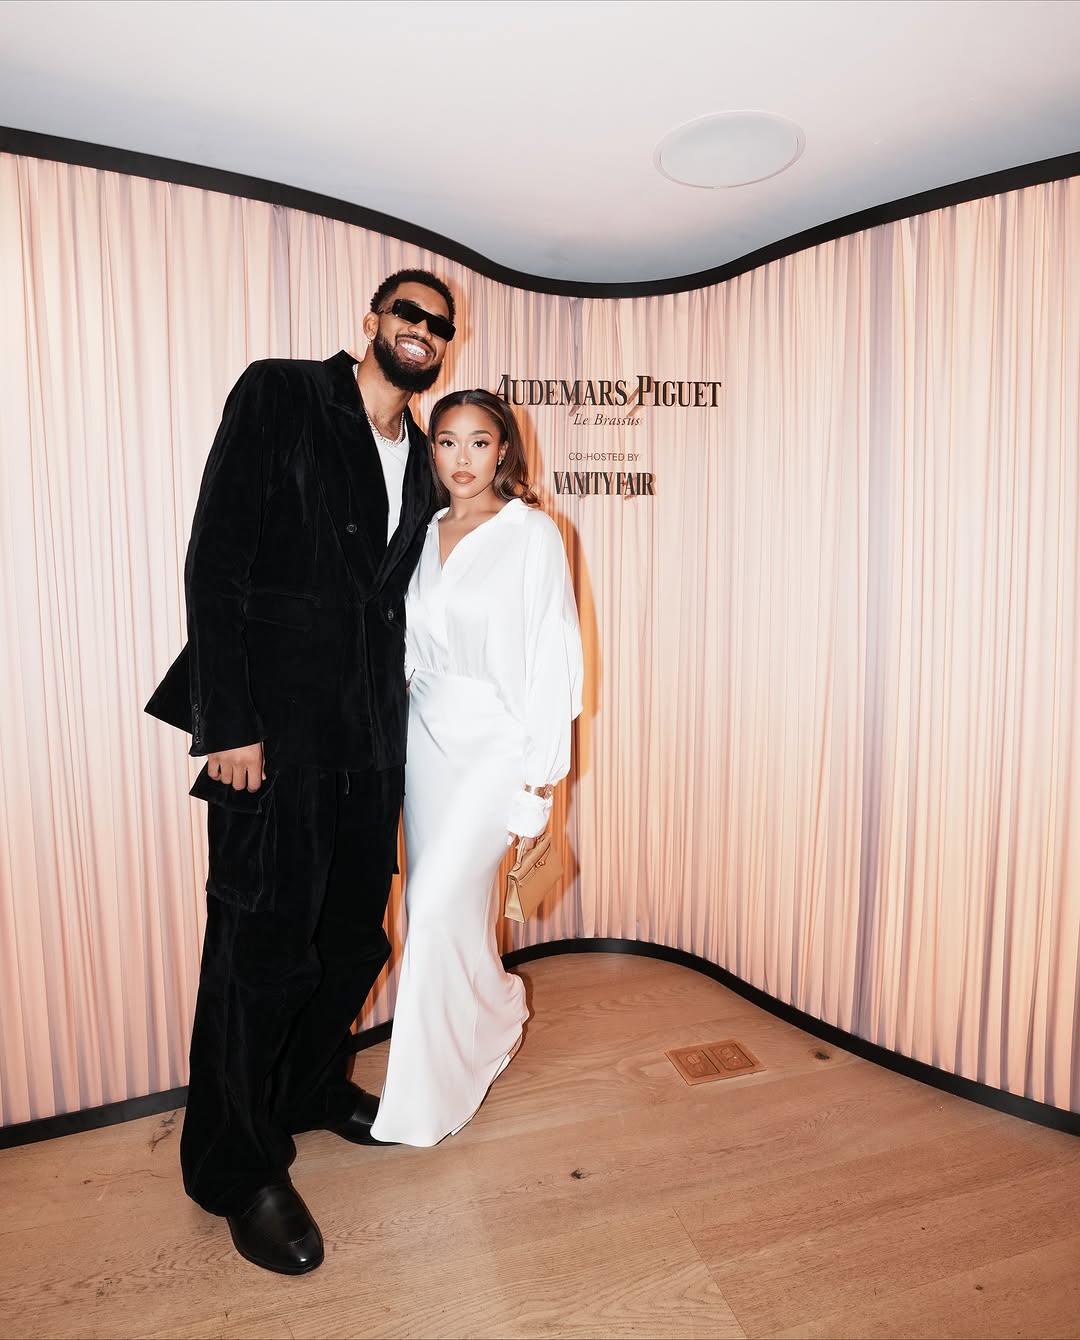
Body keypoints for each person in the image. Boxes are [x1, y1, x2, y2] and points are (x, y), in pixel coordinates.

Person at [145, 269, 457, 1274]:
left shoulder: (423, 458)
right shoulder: (281, 391)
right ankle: (235, 1166)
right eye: (409, 314)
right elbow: (215, 559)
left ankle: (310, 1089)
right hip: (271, 738)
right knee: (259, 950)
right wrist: (227, 721)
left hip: (369, 742)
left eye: (440, 325)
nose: (423, 331)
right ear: (372, 322)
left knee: (352, 934)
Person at [370, 389, 583, 1147]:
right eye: (447, 442)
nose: (463, 459)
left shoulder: (532, 535)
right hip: (424, 742)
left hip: (495, 746)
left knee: (432, 910)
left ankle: (428, 1098)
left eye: (480, 442)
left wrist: (537, 787)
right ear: (431, 452)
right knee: (440, 912)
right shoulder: (420, 530)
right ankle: (494, 1012)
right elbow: (399, 648)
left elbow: (552, 663)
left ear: (504, 451)